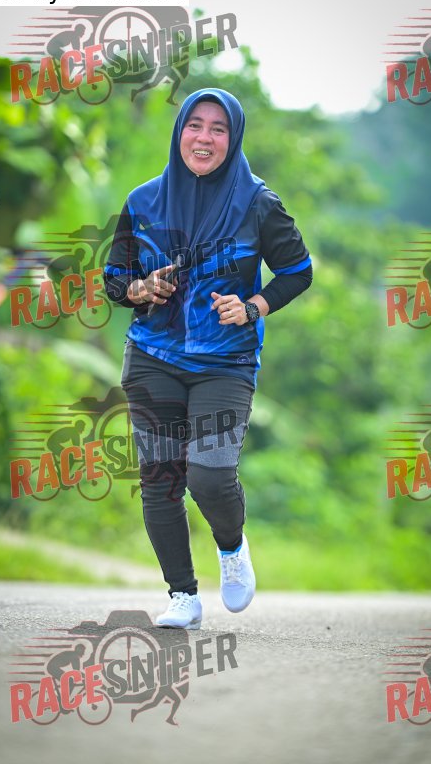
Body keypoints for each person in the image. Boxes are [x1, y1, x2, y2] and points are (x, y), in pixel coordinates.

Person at [103, 88, 313, 630]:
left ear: (233, 138)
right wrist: (140, 289)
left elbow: (298, 271)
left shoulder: (258, 203)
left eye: (218, 129)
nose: (204, 138)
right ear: (179, 133)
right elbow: (115, 279)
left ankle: (232, 547)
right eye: (194, 125)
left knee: (211, 478)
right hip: (152, 356)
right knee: (160, 478)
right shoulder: (143, 201)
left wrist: (253, 306)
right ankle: (182, 596)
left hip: (225, 362)